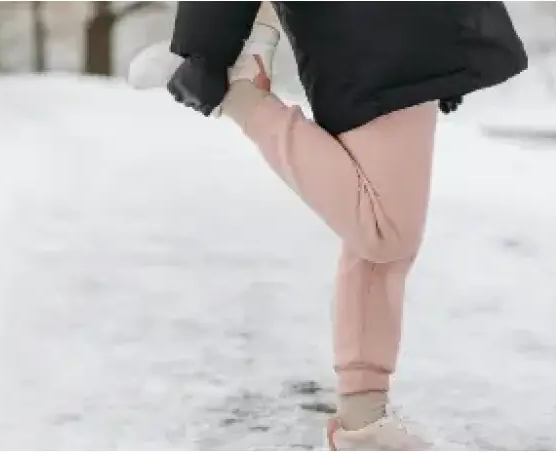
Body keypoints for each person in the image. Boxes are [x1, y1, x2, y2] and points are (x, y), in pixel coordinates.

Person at [128, 1, 528, 450]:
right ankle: (242, 96)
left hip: (403, 28)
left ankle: (364, 422)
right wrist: (203, 53)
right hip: (376, 26)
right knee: (383, 229)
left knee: (377, 237)